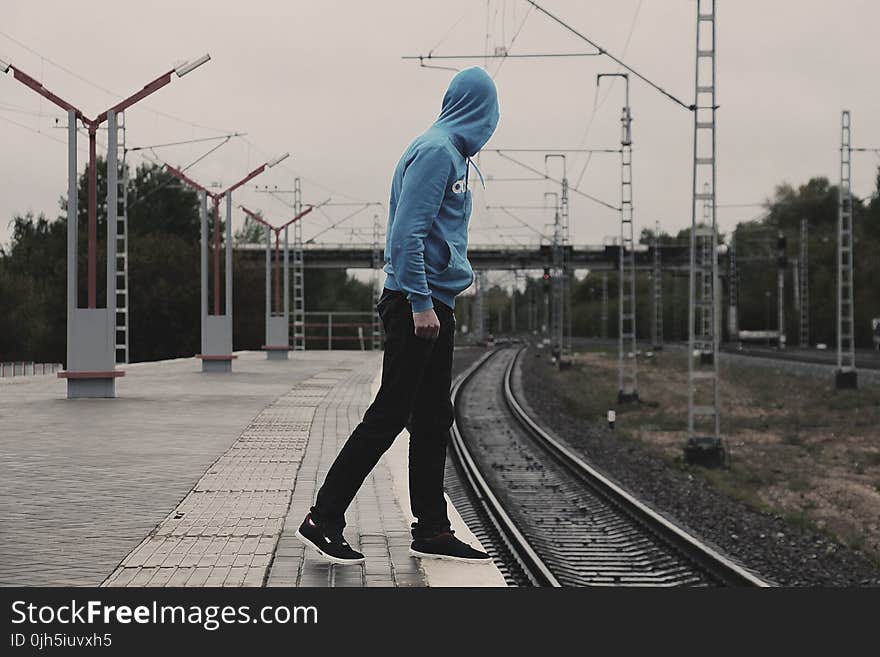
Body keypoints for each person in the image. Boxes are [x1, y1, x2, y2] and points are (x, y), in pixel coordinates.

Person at [296, 67, 500, 565]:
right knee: (391, 413)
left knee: (432, 418)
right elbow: (405, 235)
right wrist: (421, 302)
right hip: (418, 304)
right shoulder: (436, 153)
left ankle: (431, 529)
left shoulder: (449, 153)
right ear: (480, 110)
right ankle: (324, 517)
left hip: (433, 302)